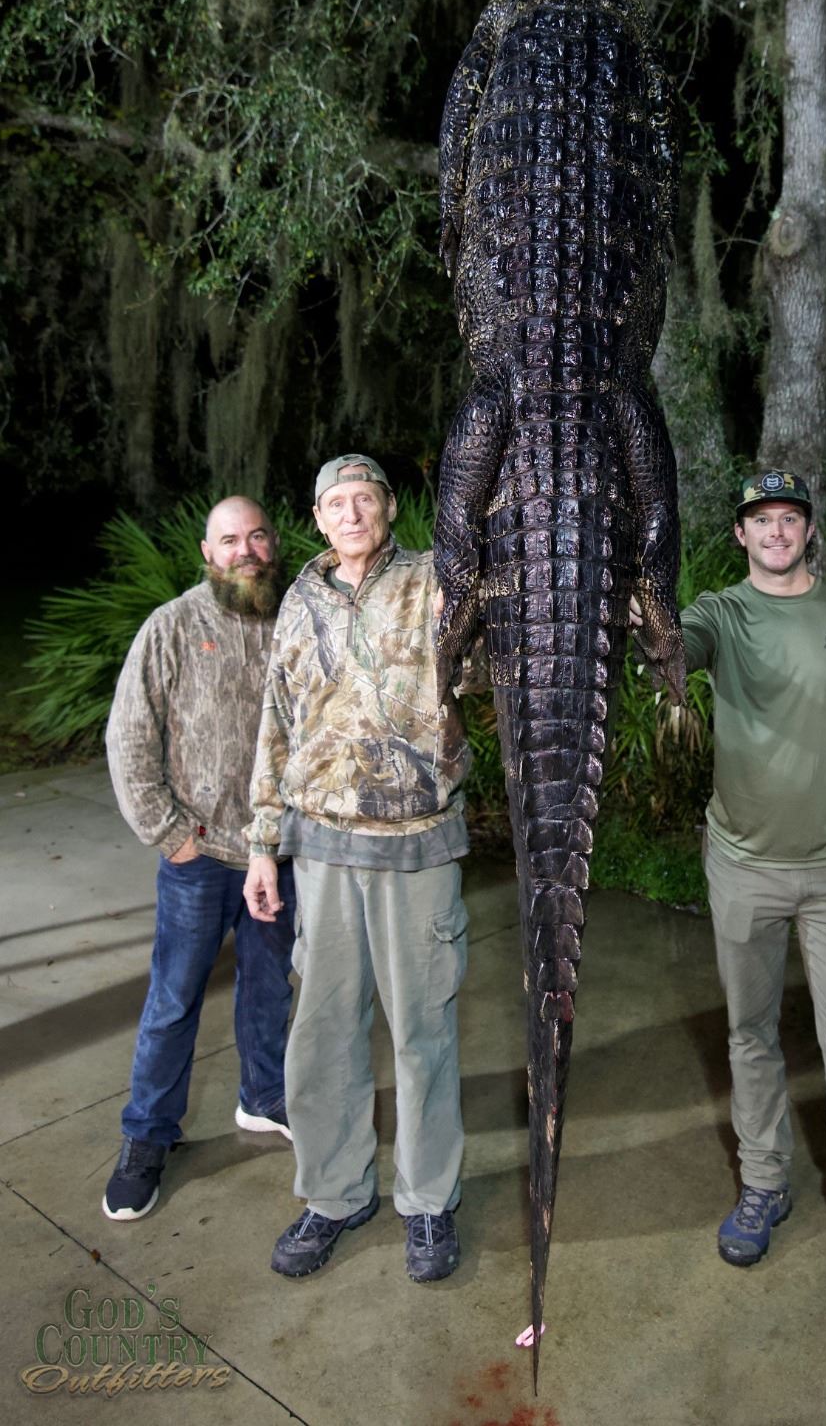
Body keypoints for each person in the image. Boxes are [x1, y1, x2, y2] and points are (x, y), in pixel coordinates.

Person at [661, 469, 826, 1310]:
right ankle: (764, 1182)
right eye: (760, 519)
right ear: (739, 533)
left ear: (809, 529)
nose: (775, 532)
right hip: (743, 866)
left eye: (788, 518)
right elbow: (668, 651)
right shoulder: (720, 614)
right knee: (750, 1033)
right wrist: (638, 600)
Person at [243, 453, 480, 1284]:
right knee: (323, 1034)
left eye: (365, 499)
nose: (351, 513)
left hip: (418, 844)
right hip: (323, 849)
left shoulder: (435, 579)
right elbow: (276, 724)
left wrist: (468, 624)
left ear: (388, 508)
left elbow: (489, 668)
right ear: (317, 518)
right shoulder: (299, 599)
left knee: (422, 1034)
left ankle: (428, 1201)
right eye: (336, 502)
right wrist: (262, 844)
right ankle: (335, 1194)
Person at [103, 496, 296, 1222]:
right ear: (208, 554)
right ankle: (147, 1135)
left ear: (273, 545)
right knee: (174, 1000)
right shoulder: (173, 626)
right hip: (200, 855)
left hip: (276, 850)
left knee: (269, 987)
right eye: (229, 540)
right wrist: (170, 834)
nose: (245, 550)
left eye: (257, 536)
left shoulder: (295, 619)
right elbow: (129, 738)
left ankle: (264, 1097)